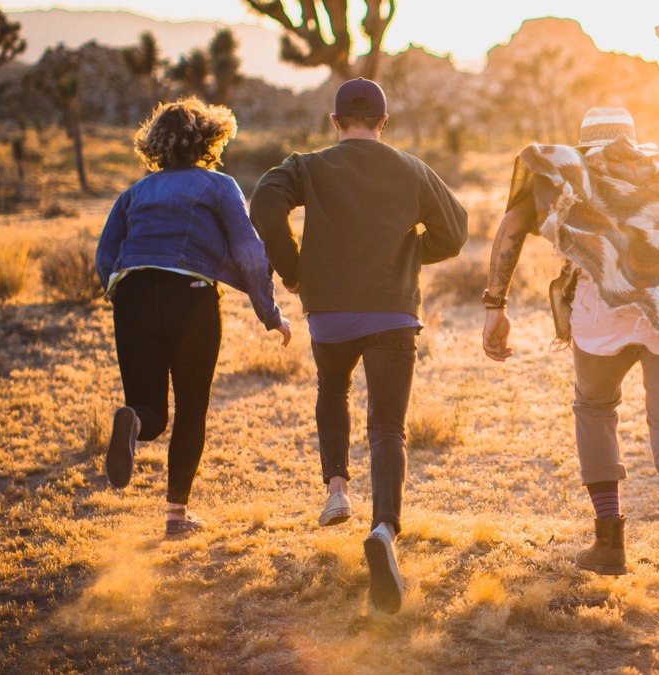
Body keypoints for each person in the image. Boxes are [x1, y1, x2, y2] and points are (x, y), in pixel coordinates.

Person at [482, 107, 659, 673]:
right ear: (634, 139)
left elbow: (510, 227)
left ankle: (609, 541)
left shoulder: (571, 174)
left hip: (600, 321)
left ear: (584, 143)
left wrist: (494, 305)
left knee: (595, 408)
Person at [249, 78, 468, 615]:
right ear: (383, 123)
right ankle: (385, 530)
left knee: (332, 389)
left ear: (336, 121)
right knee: (388, 425)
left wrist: (294, 268)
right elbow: (456, 230)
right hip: (394, 310)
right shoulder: (412, 169)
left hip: (330, 313)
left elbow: (262, 204)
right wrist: (411, 252)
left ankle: (337, 491)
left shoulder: (308, 166)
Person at [96, 96, 291, 536]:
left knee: (151, 410)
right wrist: (270, 313)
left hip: (134, 292)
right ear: (210, 139)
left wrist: (119, 292)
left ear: (156, 144)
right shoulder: (218, 186)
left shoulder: (135, 192)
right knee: (190, 409)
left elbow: (105, 252)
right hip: (191, 295)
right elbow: (248, 252)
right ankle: (175, 517)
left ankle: (134, 421)